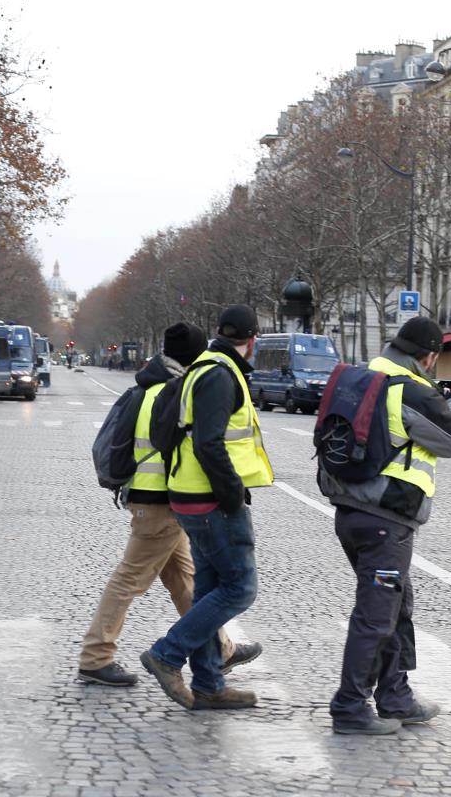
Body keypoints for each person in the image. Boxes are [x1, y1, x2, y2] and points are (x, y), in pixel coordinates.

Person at [78, 322, 261, 686]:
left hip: (150, 498)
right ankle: (95, 656)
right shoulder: (174, 391)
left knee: (185, 580)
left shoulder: (148, 387)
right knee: (129, 579)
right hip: (160, 501)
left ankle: (220, 649)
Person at [319, 316, 451, 735]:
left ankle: (395, 695)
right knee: (376, 616)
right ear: (429, 355)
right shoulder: (410, 390)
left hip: (350, 512)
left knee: (396, 606)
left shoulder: (366, 377)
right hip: (386, 519)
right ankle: (349, 708)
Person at [141, 305, 273, 711]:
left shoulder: (204, 367)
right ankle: (166, 653)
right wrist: (232, 493)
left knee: (209, 592)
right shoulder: (219, 375)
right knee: (239, 588)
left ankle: (210, 683)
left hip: (189, 492)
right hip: (209, 499)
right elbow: (209, 443)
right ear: (252, 341)